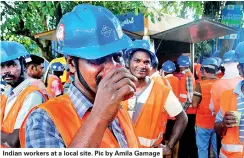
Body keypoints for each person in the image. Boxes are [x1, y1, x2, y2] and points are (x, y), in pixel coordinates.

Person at [21, 4, 138, 148]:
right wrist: (100, 115)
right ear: (71, 63)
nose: (112, 68)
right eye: (97, 59)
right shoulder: (43, 120)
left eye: (117, 57)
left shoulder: (119, 108)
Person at [122, 40, 187, 156]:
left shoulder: (162, 91)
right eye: (137, 60)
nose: (142, 65)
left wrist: (169, 146)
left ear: (151, 65)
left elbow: (182, 118)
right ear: (128, 62)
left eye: (146, 62)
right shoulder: (119, 88)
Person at [1, 41, 47, 148]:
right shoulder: (6, 95)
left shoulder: (32, 96)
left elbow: (14, 141)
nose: (5, 71)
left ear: (25, 66)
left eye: (11, 64)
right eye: (2, 66)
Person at [210, 50, 242, 155]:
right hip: (242, 128)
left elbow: (212, 108)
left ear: (223, 65)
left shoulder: (216, 85)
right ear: (238, 64)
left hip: (222, 127)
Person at [192, 57, 219, 158]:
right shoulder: (221, 83)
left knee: (202, 149)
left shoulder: (200, 85)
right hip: (217, 123)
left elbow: (194, 104)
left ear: (204, 70)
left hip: (202, 123)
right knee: (217, 149)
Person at [176, 55, 198, 158]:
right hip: (188, 111)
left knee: (187, 136)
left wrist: (182, 111)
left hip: (188, 111)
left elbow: (189, 97)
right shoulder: (188, 75)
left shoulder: (188, 76)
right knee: (188, 135)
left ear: (181, 66)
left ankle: (187, 155)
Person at [161, 60, 181, 158]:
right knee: (175, 138)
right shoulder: (177, 80)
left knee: (166, 139)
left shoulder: (163, 81)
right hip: (175, 114)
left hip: (166, 116)